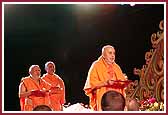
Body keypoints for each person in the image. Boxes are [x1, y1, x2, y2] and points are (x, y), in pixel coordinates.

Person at [83, 45, 127, 111]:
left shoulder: (117, 67)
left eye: (114, 53)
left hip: (117, 100)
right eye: (110, 53)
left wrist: (124, 82)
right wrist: (105, 83)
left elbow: (122, 82)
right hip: (103, 99)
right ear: (103, 54)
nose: (112, 55)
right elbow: (91, 84)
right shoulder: (96, 65)